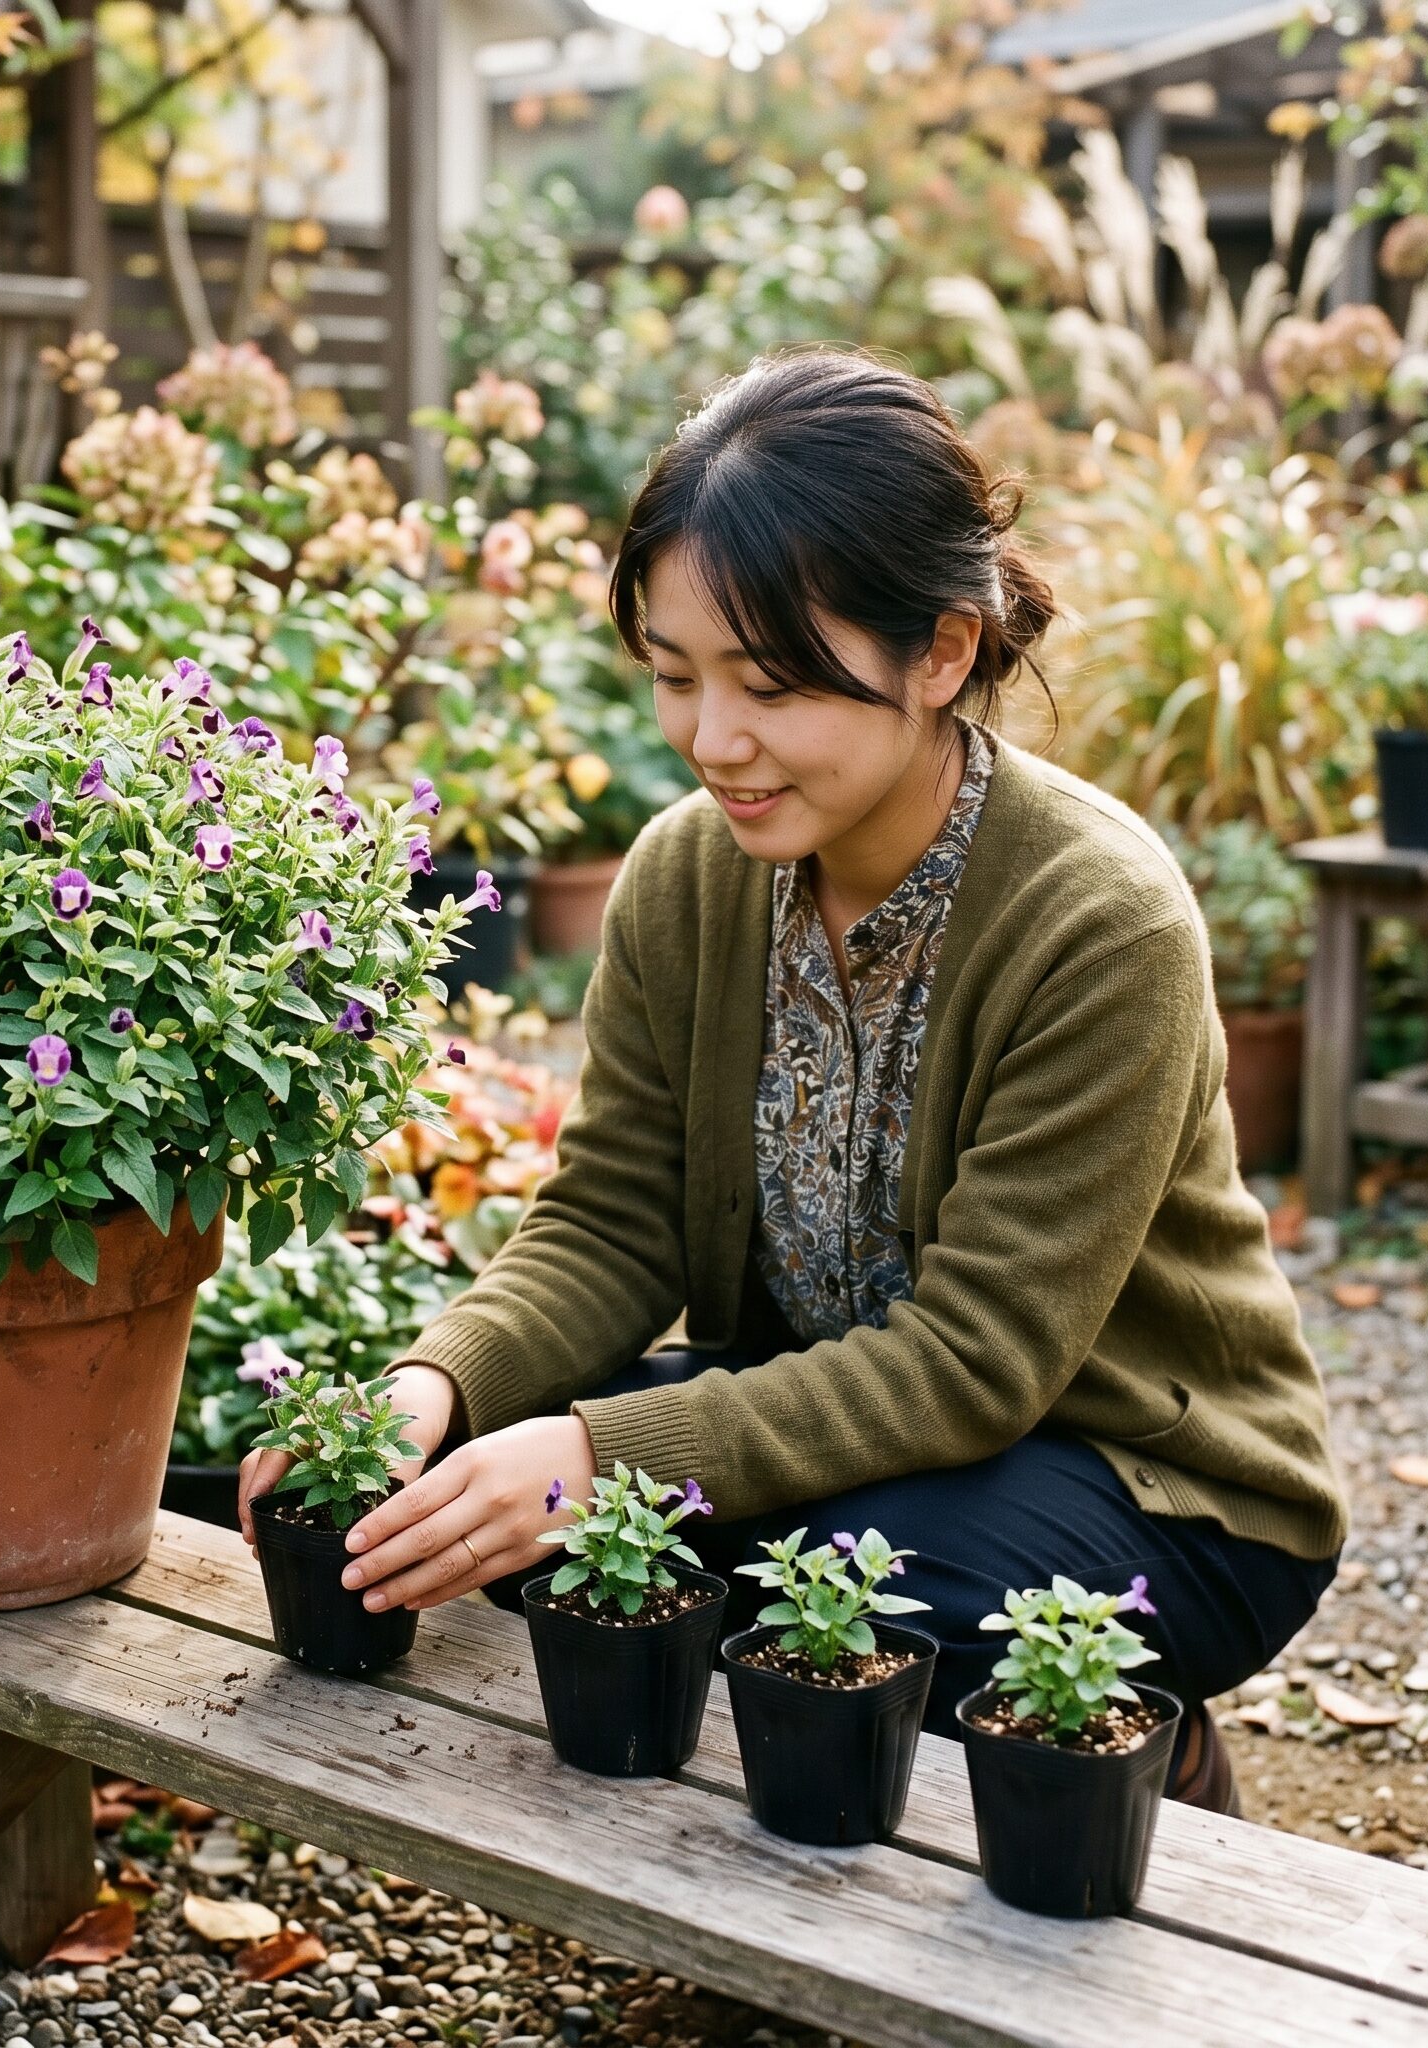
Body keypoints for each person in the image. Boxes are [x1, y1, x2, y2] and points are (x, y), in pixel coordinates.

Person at [239, 346, 1344, 1811]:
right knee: (519, 1538)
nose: (713, 742)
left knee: (829, 1617)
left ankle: (1156, 1758)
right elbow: (612, 1221)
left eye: (771, 685)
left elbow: (975, 1361)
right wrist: (433, 1389)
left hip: (1152, 1475)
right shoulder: (687, 878)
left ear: (943, 651)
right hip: (861, 1434)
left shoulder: (1099, 919)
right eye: (676, 678)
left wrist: (588, 1449)